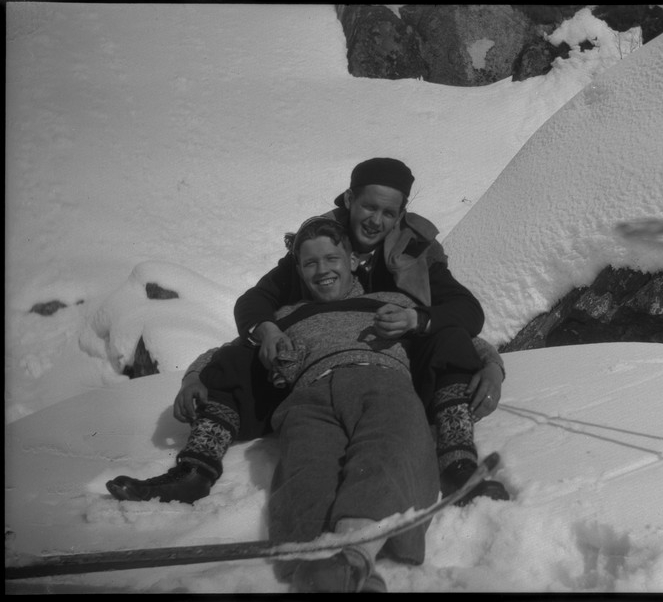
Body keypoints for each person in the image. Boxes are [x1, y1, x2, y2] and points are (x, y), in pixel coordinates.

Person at [107, 158, 508, 505]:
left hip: (391, 371)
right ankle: (195, 472)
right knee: (235, 360)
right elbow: (254, 303)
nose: (376, 221)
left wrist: (425, 325)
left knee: (446, 336)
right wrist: (262, 335)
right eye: (369, 206)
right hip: (310, 371)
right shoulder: (317, 245)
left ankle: (457, 464)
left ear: (401, 213)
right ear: (350, 200)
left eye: (389, 213)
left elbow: (465, 314)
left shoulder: (416, 254)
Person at [261, 216, 437, 592]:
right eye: (310, 263)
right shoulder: (283, 317)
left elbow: (457, 337)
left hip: (380, 378)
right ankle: (327, 568)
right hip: (311, 393)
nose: (322, 270)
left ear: (353, 261)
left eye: (331, 259)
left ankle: (353, 558)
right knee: (307, 468)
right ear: (300, 271)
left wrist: (491, 364)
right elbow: (224, 353)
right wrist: (196, 376)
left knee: (389, 444)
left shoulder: (393, 302)